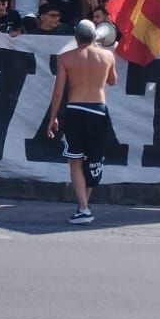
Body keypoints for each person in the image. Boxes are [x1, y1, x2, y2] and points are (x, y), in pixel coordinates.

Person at [44, 19, 117, 225]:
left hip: (76, 111)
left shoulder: (66, 58)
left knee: (75, 161)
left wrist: (53, 117)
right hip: (99, 110)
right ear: (94, 36)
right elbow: (112, 81)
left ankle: (83, 208)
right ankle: (84, 206)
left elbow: (59, 92)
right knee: (93, 159)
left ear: (76, 36)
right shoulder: (108, 55)